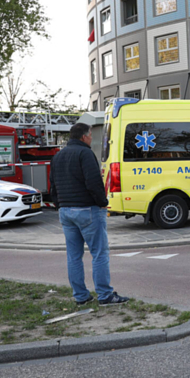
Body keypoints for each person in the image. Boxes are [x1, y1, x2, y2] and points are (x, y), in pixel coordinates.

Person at [50, 123, 127, 306]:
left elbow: (53, 185)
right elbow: (94, 182)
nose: (92, 138)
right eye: (91, 135)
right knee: (99, 253)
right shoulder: (85, 154)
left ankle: (80, 295)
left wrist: (59, 205)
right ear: (84, 136)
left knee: (73, 255)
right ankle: (105, 295)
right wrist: (103, 203)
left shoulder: (58, 156)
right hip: (87, 210)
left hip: (65, 211)